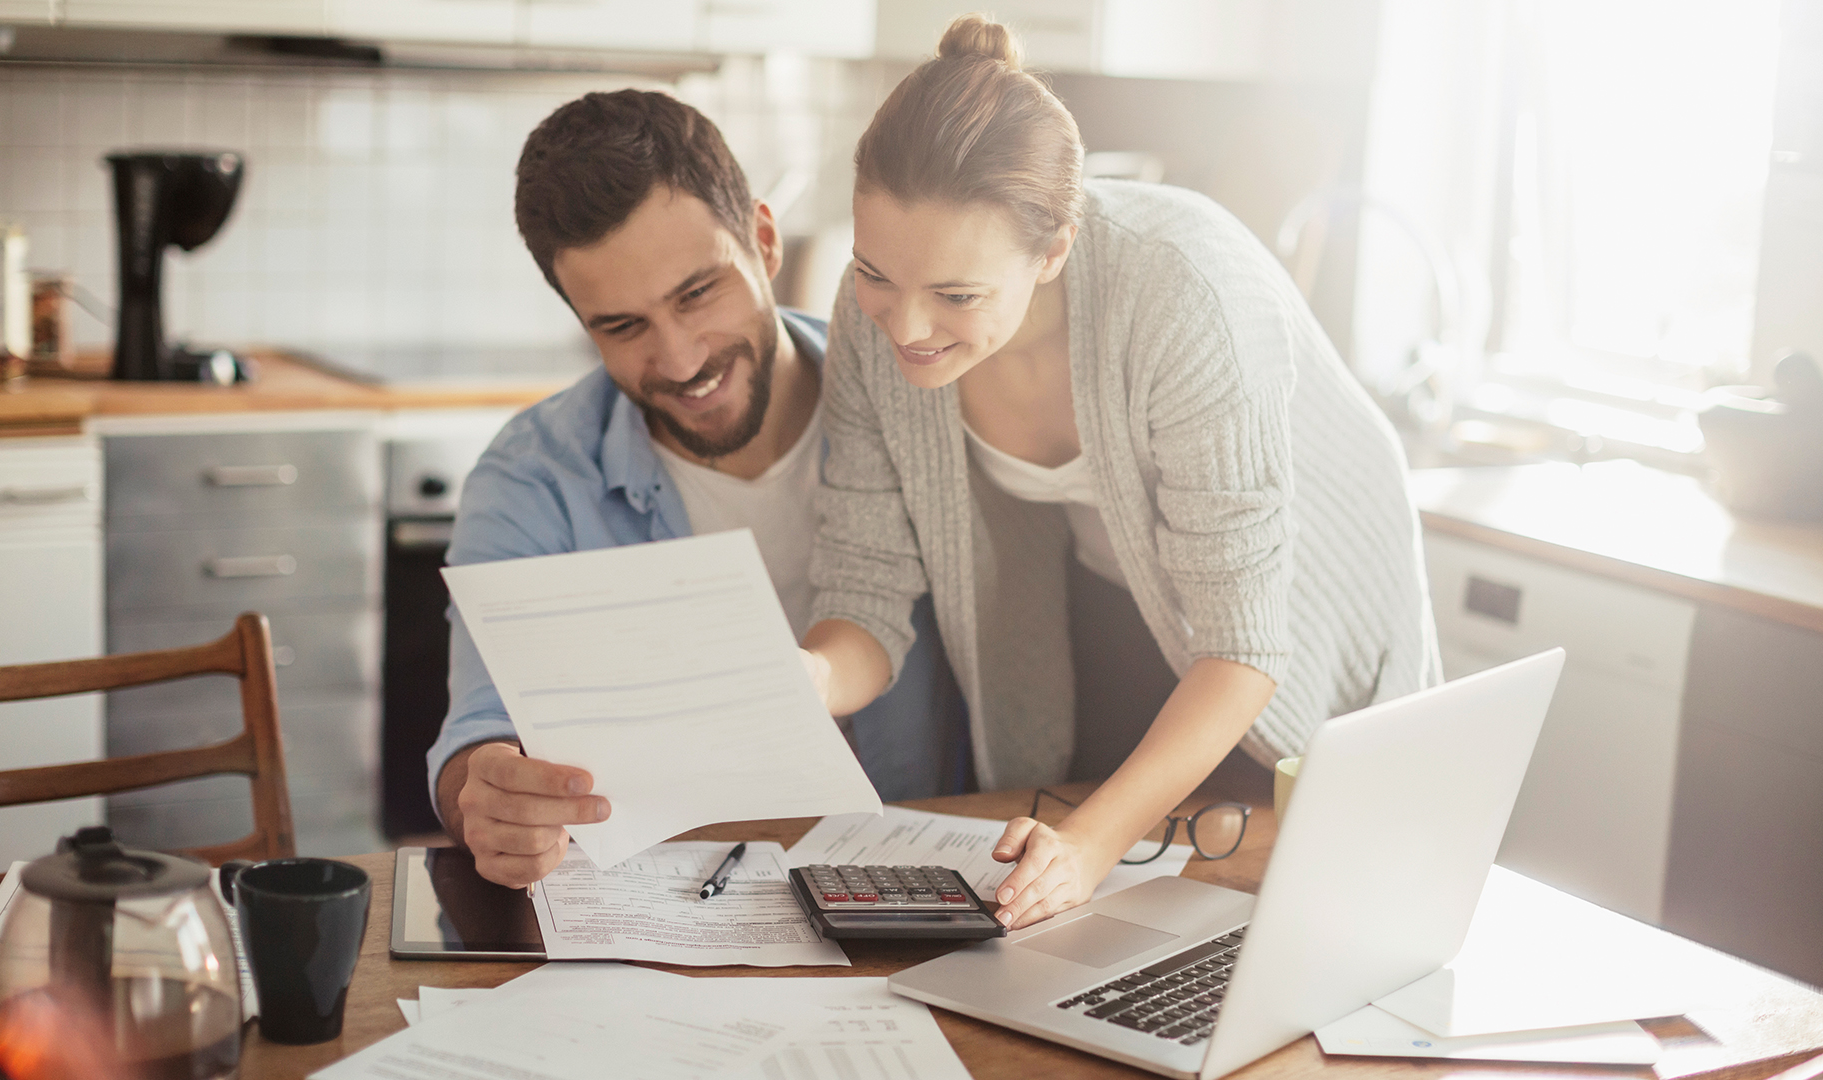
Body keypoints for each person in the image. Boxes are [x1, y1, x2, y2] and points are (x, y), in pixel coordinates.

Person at [799, 16, 1440, 930]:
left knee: (1282, 888)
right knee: (1104, 904)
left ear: (1054, 249)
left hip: (1299, 603)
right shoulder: (873, 322)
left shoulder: (1185, 294)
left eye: (957, 295)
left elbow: (1243, 646)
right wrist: (806, 679)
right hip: (1116, 578)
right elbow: (863, 591)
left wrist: (1091, 846)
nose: (902, 327)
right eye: (874, 275)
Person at [430, 89, 964, 889]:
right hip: (669, 904)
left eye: (696, 294)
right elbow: (478, 734)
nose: (680, 360)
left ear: (764, 238)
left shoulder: (917, 402)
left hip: (930, 883)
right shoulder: (532, 477)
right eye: (622, 326)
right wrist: (490, 796)